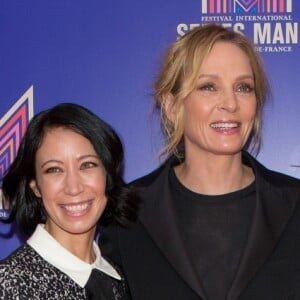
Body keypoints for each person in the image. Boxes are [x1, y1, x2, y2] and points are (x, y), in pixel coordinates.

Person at [99, 24, 300, 300]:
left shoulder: (295, 205)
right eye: (209, 86)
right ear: (171, 106)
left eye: (243, 87)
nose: (230, 103)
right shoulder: (127, 217)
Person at [0, 103, 138, 299]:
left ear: (107, 174)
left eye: (87, 165)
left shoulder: (119, 281)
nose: (73, 187)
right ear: (36, 186)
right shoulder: (8, 284)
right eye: (54, 169)